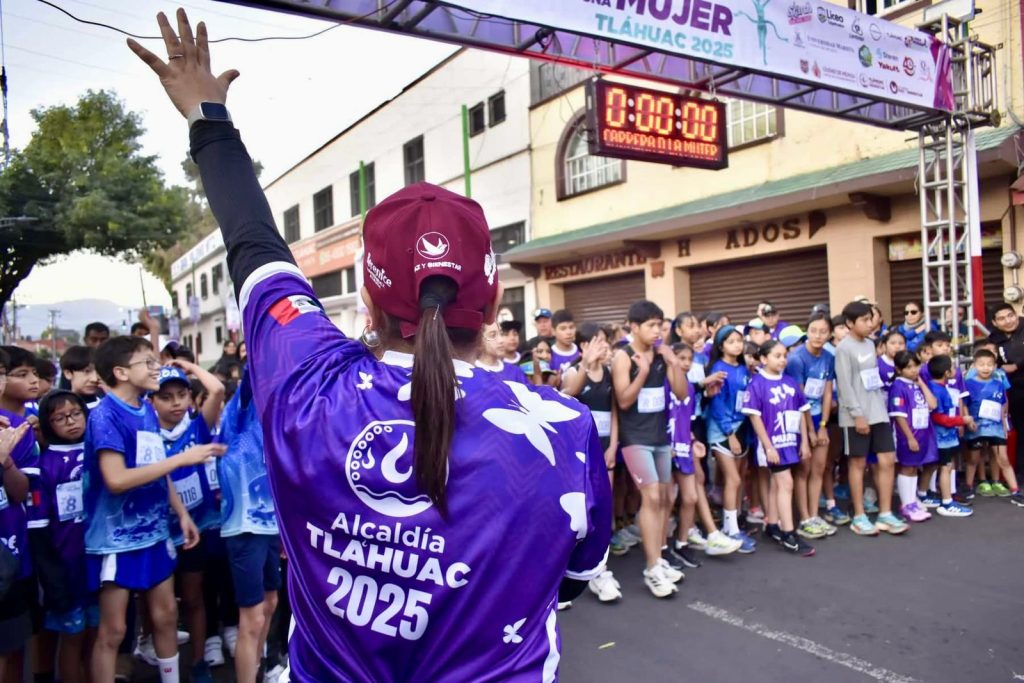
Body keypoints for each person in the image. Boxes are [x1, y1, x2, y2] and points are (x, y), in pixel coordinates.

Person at [129, 11, 612, 679]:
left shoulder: (307, 386)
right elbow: (571, 581)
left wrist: (207, 115)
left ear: (367, 301)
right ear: (496, 300)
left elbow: (253, 245)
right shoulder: (564, 427)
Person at [83, 335, 224, 682]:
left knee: (165, 616)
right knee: (114, 630)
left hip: (155, 533)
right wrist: (182, 459)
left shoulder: (146, 409)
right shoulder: (104, 416)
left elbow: (157, 468)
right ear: (120, 372)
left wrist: (182, 513)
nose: (155, 368)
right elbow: (115, 479)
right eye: (147, 363)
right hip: (115, 541)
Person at [150, 361, 225, 683]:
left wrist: (187, 365)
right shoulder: (146, 433)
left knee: (193, 598)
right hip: (158, 532)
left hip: (196, 530)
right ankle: (156, 655)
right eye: (166, 397)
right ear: (151, 401)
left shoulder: (197, 428)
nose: (177, 402)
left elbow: (218, 389)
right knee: (157, 607)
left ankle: (198, 661)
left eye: (182, 394)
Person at [611, 300, 688, 597]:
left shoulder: (661, 354)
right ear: (634, 327)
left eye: (660, 325)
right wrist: (642, 373)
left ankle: (657, 560)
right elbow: (624, 400)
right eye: (652, 325)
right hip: (635, 439)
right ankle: (652, 567)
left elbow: (680, 393)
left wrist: (672, 362)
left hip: (660, 437)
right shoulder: (624, 356)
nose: (658, 331)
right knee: (652, 495)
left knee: (664, 498)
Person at [27, 391, 94, 683]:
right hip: (67, 569)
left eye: (75, 413)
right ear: (48, 424)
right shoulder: (46, 466)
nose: (70, 421)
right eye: (60, 417)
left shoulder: (98, 452)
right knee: (73, 638)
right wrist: (53, 580)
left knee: (97, 635)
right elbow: (39, 531)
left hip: (99, 562)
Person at [217, 373, 279, 683]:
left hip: (271, 526)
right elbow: (255, 367)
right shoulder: (242, 407)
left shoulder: (280, 409)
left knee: (270, 603)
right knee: (252, 617)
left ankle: (257, 669)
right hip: (246, 527)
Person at [559, 323, 622, 602]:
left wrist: (614, 446)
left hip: (604, 450)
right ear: (584, 346)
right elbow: (568, 393)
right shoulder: (574, 370)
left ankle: (599, 569)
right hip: (578, 454)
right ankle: (568, 568)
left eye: (604, 342)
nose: (603, 346)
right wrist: (586, 364)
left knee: (601, 511)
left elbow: (614, 411)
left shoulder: (608, 373)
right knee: (579, 511)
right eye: (597, 342)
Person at [835, 301, 908, 537]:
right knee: (858, 464)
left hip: (878, 411)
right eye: (864, 320)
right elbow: (845, 385)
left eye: (871, 319)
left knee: (887, 460)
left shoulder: (870, 344)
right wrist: (858, 415)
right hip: (856, 416)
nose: (870, 324)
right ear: (849, 323)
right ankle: (859, 516)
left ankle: (885, 513)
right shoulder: (844, 349)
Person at [667, 342, 742, 566]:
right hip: (665, 446)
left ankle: (685, 541)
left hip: (684, 444)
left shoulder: (689, 388)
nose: (686, 363)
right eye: (681, 358)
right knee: (666, 499)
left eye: (690, 359)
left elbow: (685, 419)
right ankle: (662, 550)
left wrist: (691, 440)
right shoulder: (662, 386)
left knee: (691, 494)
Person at [742, 339, 814, 556]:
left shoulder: (791, 382)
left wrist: (804, 441)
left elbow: (801, 411)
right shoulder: (757, 384)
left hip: (790, 442)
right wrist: (768, 447)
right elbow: (756, 420)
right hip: (771, 445)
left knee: (777, 484)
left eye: (784, 355)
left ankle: (772, 525)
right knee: (786, 483)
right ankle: (789, 533)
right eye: (776, 356)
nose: (782, 360)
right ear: (763, 359)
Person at [0, 346, 38, 681]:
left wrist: (6, 459)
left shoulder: (15, 429)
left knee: (12, 649)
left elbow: (20, 491)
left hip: (10, 558)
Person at [784, 313, 840, 537]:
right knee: (804, 469)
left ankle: (815, 515)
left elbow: (827, 393)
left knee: (818, 467)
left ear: (830, 334)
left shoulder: (828, 357)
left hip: (820, 418)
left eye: (823, 331)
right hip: (799, 419)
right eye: (814, 330)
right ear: (807, 331)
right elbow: (800, 399)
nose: (818, 336)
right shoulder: (797, 359)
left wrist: (823, 425)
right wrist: (809, 430)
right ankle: (804, 518)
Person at [705, 326, 757, 553]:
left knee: (738, 480)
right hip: (722, 431)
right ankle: (730, 530)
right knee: (733, 480)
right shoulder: (719, 369)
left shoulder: (744, 368)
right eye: (731, 341)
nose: (737, 345)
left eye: (739, 341)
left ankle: (734, 525)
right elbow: (716, 405)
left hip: (742, 426)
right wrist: (729, 433)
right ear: (720, 346)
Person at [964, 349, 1024, 506]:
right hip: (976, 427)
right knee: (974, 459)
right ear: (974, 366)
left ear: (995, 366)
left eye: (989, 365)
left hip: (996, 427)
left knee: (1003, 458)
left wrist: (1005, 424)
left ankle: (1015, 491)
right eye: (982, 364)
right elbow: (962, 405)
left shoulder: (999, 384)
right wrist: (967, 421)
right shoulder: (968, 384)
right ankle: (968, 487)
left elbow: (1003, 405)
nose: (985, 368)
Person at [887, 351, 937, 523]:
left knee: (914, 467)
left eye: (916, 366)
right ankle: (906, 504)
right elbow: (899, 415)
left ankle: (912, 500)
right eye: (908, 367)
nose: (914, 370)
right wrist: (909, 437)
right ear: (899, 370)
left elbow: (932, 404)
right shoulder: (898, 386)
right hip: (907, 435)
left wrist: (921, 383)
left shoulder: (917, 384)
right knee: (907, 467)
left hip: (922, 432)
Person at [925, 355, 975, 517]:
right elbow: (938, 417)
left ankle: (922, 493)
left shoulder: (936, 387)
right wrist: (962, 420)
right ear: (947, 372)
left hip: (945, 436)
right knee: (945, 467)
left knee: (933, 466)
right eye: (953, 368)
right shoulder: (938, 390)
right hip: (942, 437)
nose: (955, 370)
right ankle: (947, 502)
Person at [987, 303, 1024, 477]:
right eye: (1002, 318)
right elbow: (990, 361)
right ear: (995, 322)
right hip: (1015, 391)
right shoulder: (994, 338)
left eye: (1010, 315)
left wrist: (1017, 365)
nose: (1008, 321)